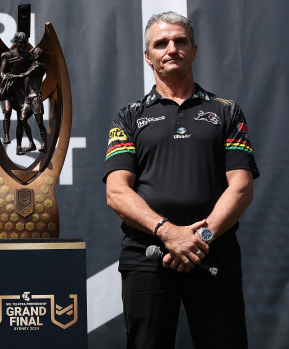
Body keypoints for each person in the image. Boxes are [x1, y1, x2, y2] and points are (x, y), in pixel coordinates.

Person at [103, 12, 259, 349]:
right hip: (148, 258)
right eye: (161, 43)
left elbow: (242, 187)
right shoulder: (129, 116)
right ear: (148, 56)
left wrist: (199, 239)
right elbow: (116, 192)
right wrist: (169, 233)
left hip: (213, 254)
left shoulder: (226, 111)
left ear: (194, 50)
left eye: (180, 41)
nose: (171, 48)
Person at [0, 32, 33, 154]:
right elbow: (1, 73)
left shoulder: (28, 56)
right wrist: (11, 76)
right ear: (16, 42)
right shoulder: (7, 55)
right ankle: (6, 135)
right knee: (7, 111)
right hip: (9, 88)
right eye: (20, 42)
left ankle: (18, 147)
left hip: (21, 91)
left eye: (24, 43)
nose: (22, 45)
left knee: (21, 119)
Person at [18, 47, 48, 153]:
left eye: (35, 53)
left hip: (36, 97)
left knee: (39, 122)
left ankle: (44, 144)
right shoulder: (30, 65)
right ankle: (32, 143)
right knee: (22, 119)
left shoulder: (39, 66)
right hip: (28, 98)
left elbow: (26, 74)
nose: (33, 55)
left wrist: (14, 75)